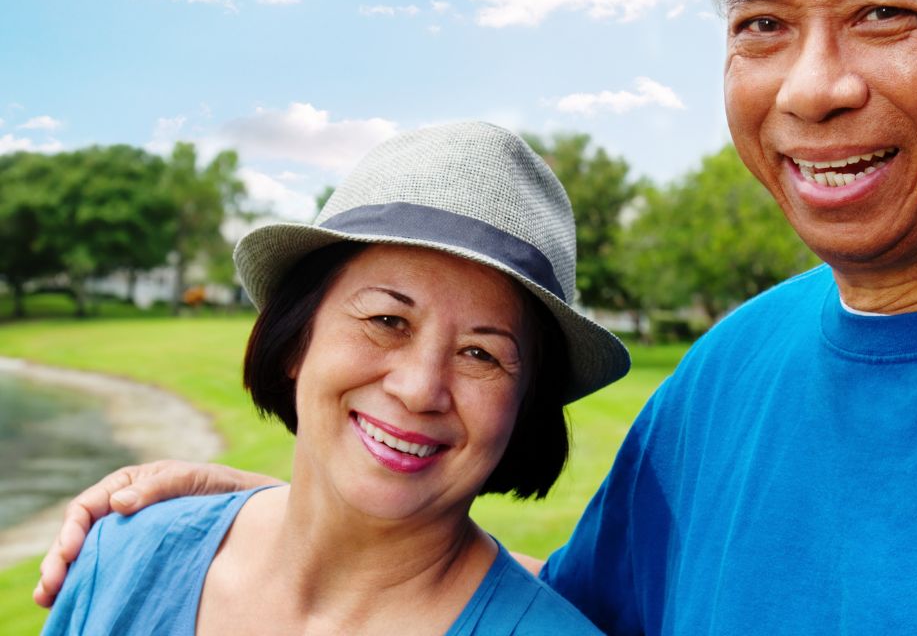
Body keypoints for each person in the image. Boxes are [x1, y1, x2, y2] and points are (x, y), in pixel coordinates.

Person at [36, 0, 917, 633]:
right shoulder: (734, 368)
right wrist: (279, 510)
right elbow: (560, 598)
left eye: (881, 13)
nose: (812, 85)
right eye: (761, 25)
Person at [40, 121, 629, 634]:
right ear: (298, 337)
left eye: (481, 354)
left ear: (524, 407)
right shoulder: (122, 558)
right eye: (387, 320)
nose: (420, 388)